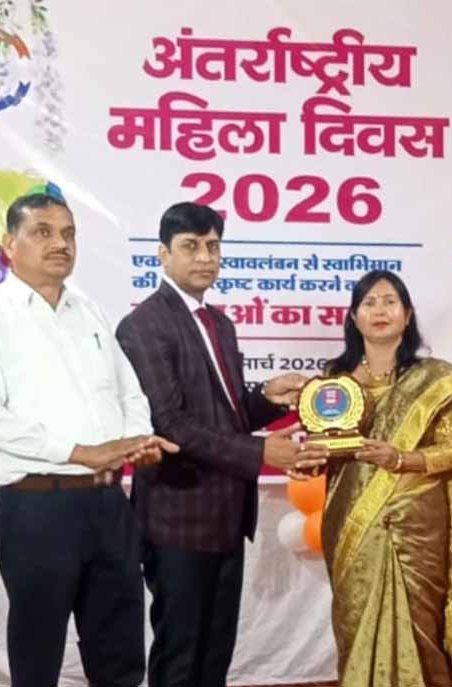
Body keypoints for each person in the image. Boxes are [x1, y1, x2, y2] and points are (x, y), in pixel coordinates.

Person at [0, 192, 176, 687]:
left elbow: (128, 391)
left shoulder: (87, 311)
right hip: (37, 508)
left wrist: (135, 439)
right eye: (43, 232)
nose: (61, 244)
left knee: (119, 655)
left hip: (109, 505)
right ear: (10, 245)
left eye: (69, 234)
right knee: (38, 657)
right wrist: (80, 453)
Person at [116, 201, 321, 687]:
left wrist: (266, 398)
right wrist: (261, 453)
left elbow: (224, 415)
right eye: (190, 246)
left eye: (212, 246)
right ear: (163, 254)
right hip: (177, 518)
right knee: (180, 656)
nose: (205, 257)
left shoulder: (219, 324)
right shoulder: (143, 326)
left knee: (215, 655)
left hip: (227, 514)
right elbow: (171, 425)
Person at [310, 269, 452, 687]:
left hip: (417, 522)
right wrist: (309, 459)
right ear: (354, 317)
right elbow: (323, 446)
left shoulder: (435, 379)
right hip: (352, 519)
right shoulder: (335, 381)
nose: (380, 311)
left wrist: (401, 458)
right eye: (369, 303)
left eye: (390, 302)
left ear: (407, 315)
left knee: (421, 622)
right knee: (355, 617)